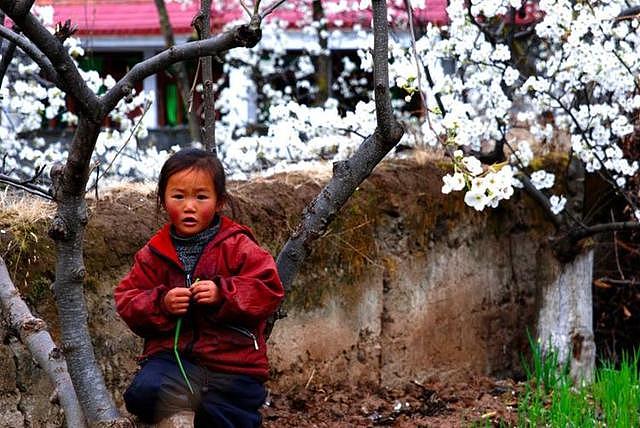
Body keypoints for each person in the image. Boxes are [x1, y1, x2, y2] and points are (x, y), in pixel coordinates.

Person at [115, 148, 284, 427]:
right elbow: (128, 299)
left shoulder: (237, 246)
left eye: (201, 197)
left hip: (232, 365)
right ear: (162, 200)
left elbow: (268, 288)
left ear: (219, 202)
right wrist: (162, 303)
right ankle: (192, 405)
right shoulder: (154, 253)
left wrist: (222, 294)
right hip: (175, 361)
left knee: (226, 416)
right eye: (178, 196)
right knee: (142, 394)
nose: (189, 206)